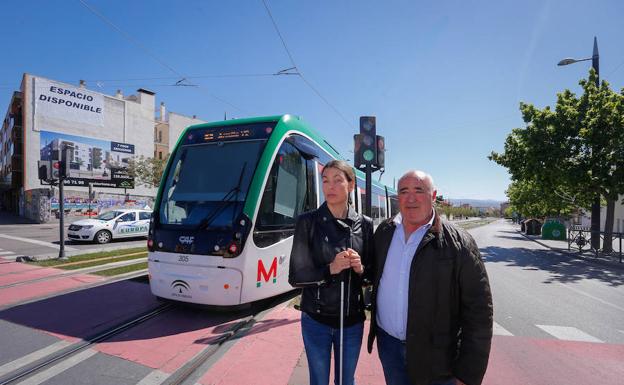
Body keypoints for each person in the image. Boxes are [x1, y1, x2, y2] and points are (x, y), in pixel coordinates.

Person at [367, 170, 493, 385]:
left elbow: (479, 311)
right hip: (389, 347)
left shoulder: (459, 243)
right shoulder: (385, 232)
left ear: (433, 196)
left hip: (438, 358)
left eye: (419, 190)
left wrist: (468, 374)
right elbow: (373, 275)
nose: (411, 198)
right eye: (404, 191)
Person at [289, 159, 374, 385]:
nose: (330, 187)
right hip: (316, 320)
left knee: (346, 381)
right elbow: (296, 276)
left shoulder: (365, 224)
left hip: (352, 321)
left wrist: (360, 268)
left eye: (338, 180)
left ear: (351, 185)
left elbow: (372, 274)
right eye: (325, 181)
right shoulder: (308, 222)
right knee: (319, 380)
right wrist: (330, 269)